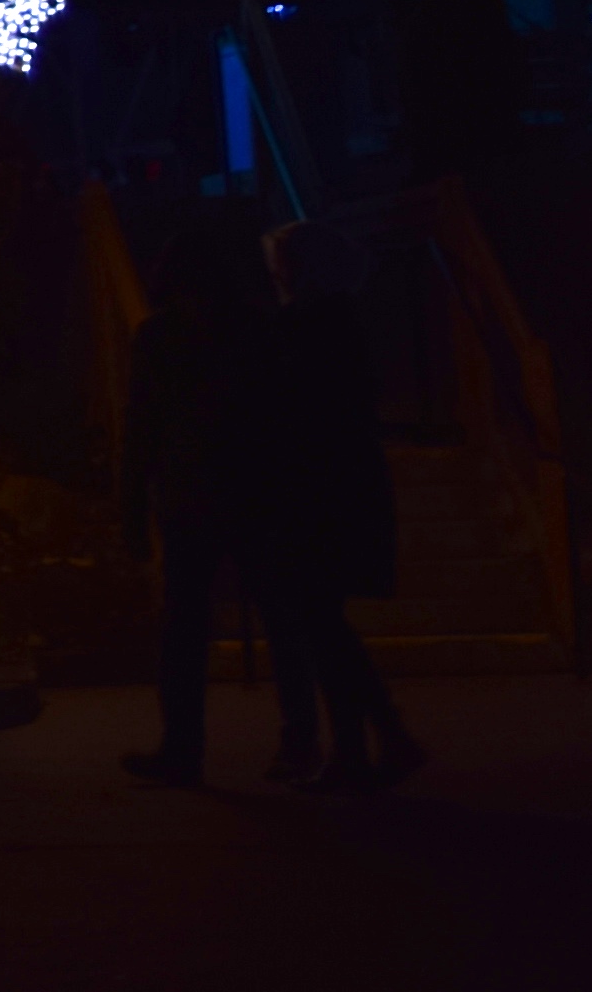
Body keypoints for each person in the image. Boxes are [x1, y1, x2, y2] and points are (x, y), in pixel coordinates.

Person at [255, 221, 425, 792]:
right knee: (324, 620)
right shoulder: (344, 321)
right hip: (344, 480)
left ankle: (369, 742)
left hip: (316, 486)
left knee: (319, 619)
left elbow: (288, 411)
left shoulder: (302, 327)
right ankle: (376, 738)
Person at [112, 223, 277, 787]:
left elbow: (141, 428)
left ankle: (184, 748)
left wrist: (133, 504)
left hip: (189, 495)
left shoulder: (158, 337)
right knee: (284, 617)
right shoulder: (254, 328)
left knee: (184, 628)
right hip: (251, 490)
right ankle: (302, 739)